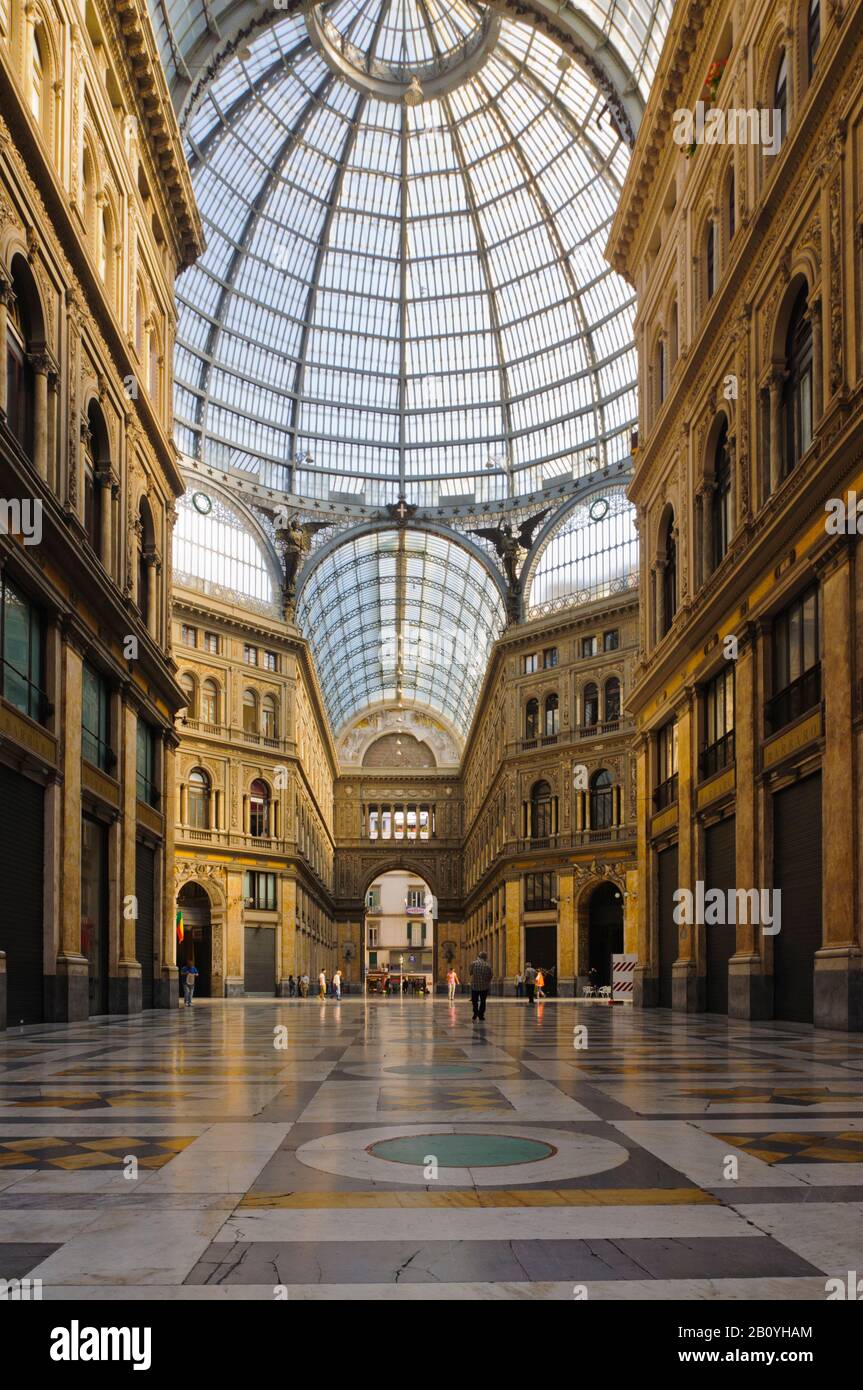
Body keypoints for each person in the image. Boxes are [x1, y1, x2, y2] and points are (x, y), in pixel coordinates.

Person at [469, 951, 493, 1021]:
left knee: (474, 1001)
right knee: (483, 1001)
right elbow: (490, 975)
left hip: (475, 985)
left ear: (479, 956)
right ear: (485, 957)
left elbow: (470, 973)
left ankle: (475, 1012)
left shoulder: (473, 964)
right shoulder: (487, 965)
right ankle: (481, 1015)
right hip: (484, 986)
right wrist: (487, 981)